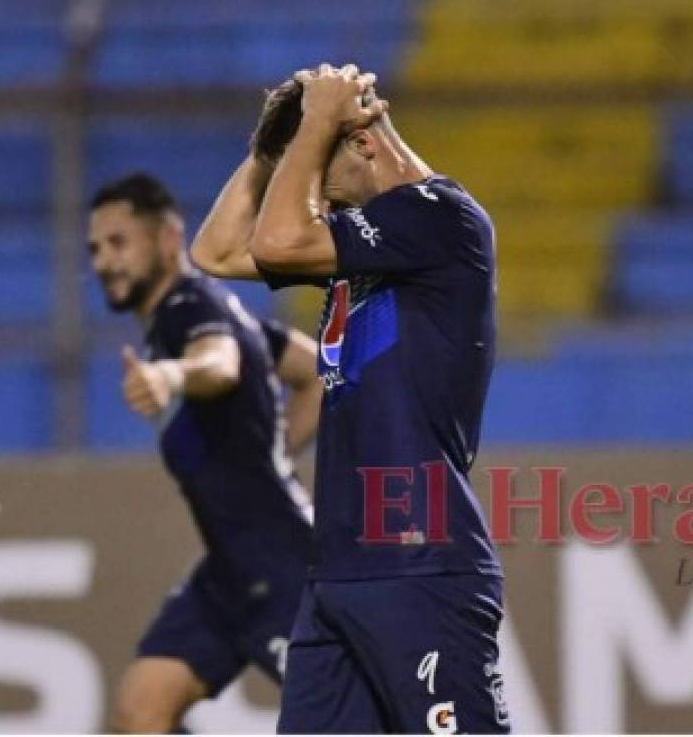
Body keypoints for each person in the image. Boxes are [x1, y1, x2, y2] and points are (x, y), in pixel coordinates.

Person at [192, 64, 510, 734]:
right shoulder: (368, 240)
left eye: (320, 179)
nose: (319, 203)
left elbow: (276, 239)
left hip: (419, 563)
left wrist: (315, 123)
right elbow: (218, 252)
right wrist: (274, 141)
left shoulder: (439, 219)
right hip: (338, 572)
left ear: (362, 143)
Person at [87, 172, 321, 733]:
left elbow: (219, 363)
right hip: (230, 572)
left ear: (169, 239)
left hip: (284, 567)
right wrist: (272, 450)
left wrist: (173, 374)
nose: (103, 262)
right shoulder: (224, 314)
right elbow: (318, 372)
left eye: (119, 243)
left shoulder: (186, 309)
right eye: (94, 249)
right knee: (139, 713)